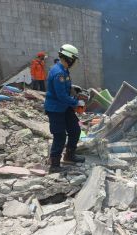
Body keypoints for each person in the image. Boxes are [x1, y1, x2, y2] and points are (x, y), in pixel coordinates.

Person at [44, 44, 85, 173]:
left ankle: (69, 155)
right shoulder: (59, 73)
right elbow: (61, 95)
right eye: (74, 59)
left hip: (64, 107)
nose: (74, 62)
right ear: (69, 58)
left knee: (75, 129)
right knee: (60, 135)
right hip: (56, 108)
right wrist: (76, 102)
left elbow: (64, 88)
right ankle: (54, 164)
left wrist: (73, 88)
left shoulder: (63, 69)